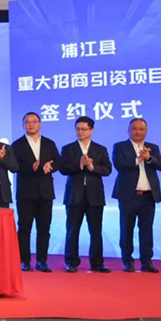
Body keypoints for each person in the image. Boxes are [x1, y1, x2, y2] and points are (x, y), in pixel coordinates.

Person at [112, 118, 161, 273]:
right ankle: (127, 261)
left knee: (146, 229)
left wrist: (149, 158)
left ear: (146, 131)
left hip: (148, 196)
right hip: (128, 195)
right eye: (135, 129)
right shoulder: (120, 146)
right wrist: (138, 160)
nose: (138, 132)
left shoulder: (153, 148)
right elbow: (119, 165)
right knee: (126, 228)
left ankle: (146, 261)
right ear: (128, 130)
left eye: (141, 129)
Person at [60, 116, 112, 273]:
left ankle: (97, 263)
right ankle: (71, 262)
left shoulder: (100, 149)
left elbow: (107, 170)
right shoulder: (68, 149)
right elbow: (63, 169)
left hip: (95, 197)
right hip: (74, 196)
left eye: (84, 129)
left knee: (96, 231)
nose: (80, 132)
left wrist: (92, 167)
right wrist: (79, 164)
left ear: (91, 130)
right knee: (72, 230)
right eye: (78, 129)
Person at [11, 112, 61, 273]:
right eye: (27, 122)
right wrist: (30, 167)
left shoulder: (49, 143)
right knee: (24, 228)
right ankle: (24, 261)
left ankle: (42, 261)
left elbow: (58, 162)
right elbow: (14, 166)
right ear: (23, 125)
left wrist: (50, 166)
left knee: (44, 228)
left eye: (34, 122)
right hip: (25, 192)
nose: (31, 124)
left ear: (40, 124)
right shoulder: (16, 145)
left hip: (45, 192)